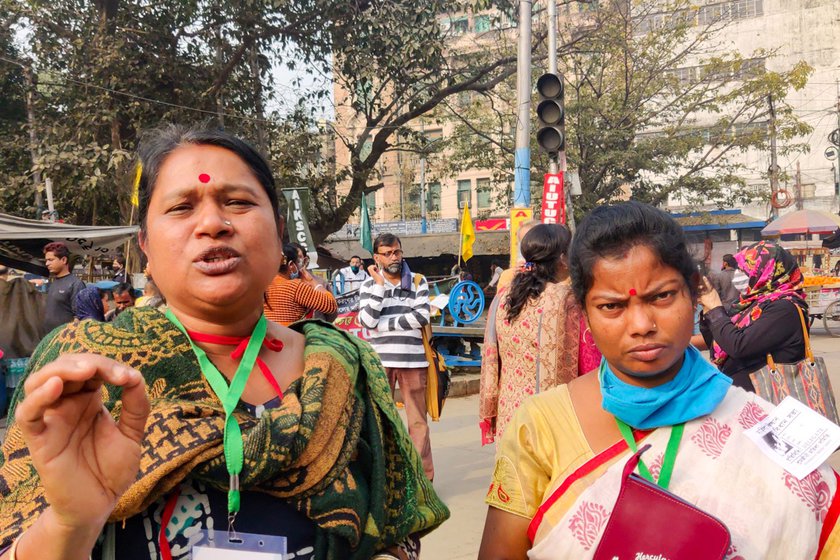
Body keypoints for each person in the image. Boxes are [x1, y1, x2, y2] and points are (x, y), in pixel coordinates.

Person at [0, 125, 447, 560]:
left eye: (237, 201)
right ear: (146, 247)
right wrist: (69, 521)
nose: (212, 223)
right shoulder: (85, 373)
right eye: (181, 208)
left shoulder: (343, 365)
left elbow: (395, 526)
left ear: (277, 232)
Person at [478, 201, 840, 559]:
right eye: (611, 306)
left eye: (663, 296)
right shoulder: (540, 426)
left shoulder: (758, 425)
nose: (641, 326)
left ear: (694, 290)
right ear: (584, 312)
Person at [479, 224, 601, 444]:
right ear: (563, 258)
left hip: (512, 415)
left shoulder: (504, 298)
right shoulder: (567, 300)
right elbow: (590, 364)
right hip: (552, 418)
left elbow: (493, 358)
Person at [358, 233, 434, 481]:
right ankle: (384, 480)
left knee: (418, 423)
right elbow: (367, 321)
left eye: (397, 252)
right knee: (379, 422)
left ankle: (423, 479)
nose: (394, 257)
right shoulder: (369, 286)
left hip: (414, 362)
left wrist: (384, 325)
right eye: (388, 253)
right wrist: (380, 286)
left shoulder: (418, 281)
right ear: (376, 257)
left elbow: (421, 316)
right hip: (380, 363)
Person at [699, 240, 808, 392]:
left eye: (745, 270)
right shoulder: (749, 305)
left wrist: (716, 308)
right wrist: (707, 308)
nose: (739, 275)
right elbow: (719, 340)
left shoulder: (785, 309)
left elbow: (738, 346)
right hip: (745, 397)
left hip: (771, 399)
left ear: (767, 271)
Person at [263, 244, 338, 325]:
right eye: (298, 262)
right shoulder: (295, 287)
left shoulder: (262, 285)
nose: (300, 265)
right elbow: (330, 306)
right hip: (289, 335)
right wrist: (312, 280)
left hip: (265, 334)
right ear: (291, 265)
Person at [42, 241, 86, 333]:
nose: (47, 264)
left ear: (64, 260)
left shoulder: (76, 284)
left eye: (51, 260)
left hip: (64, 341)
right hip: (48, 338)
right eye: (46, 260)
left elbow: (79, 317)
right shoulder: (53, 283)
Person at [496, 220, 537, 292]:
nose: (528, 247)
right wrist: (516, 279)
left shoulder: (557, 272)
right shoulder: (508, 275)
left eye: (532, 241)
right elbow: (503, 300)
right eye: (523, 242)